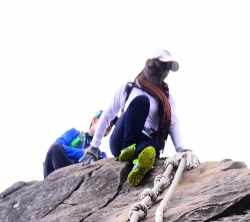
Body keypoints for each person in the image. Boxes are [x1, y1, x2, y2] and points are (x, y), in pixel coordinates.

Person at [80, 49, 194, 186]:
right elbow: (108, 115)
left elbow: (173, 122)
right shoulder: (128, 88)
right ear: (148, 63)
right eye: (160, 65)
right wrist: (94, 147)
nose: (163, 71)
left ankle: (138, 167)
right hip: (121, 139)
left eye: (167, 68)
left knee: (151, 149)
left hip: (145, 138)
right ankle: (128, 148)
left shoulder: (167, 97)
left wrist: (180, 148)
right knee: (141, 101)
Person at [43, 112, 106, 178]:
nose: (108, 126)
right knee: (55, 148)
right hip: (58, 168)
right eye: (105, 122)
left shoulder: (99, 153)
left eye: (110, 125)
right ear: (94, 120)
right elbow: (55, 149)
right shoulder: (73, 133)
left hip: (77, 175)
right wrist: (82, 152)